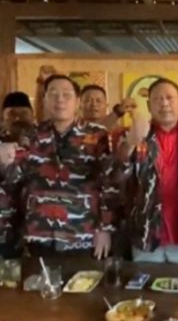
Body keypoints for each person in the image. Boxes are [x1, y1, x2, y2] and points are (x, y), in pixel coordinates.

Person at [0, 75, 118, 259]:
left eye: (66, 95)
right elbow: (14, 181)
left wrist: (105, 228)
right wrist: (5, 162)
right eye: (53, 94)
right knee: (38, 278)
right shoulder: (30, 135)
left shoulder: (97, 135)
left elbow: (109, 183)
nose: (60, 100)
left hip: (82, 234)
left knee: (83, 278)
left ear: (77, 101)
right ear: (44, 100)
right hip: (39, 235)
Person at [115, 77, 178, 265]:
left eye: (169, 98)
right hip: (146, 236)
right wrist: (130, 143)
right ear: (148, 105)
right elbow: (116, 177)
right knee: (145, 284)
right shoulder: (133, 134)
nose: (164, 103)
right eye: (157, 99)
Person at [0, 92, 36, 258]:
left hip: (37, 230)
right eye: (12, 113)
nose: (17, 118)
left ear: (32, 115)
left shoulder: (45, 141)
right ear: (3, 117)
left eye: (23, 113)